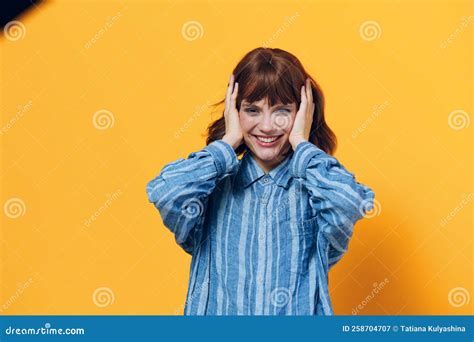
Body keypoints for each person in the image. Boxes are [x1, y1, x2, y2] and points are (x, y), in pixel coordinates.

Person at [146, 47, 375, 315]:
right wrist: (228, 142)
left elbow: (348, 203)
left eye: (282, 110)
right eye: (252, 110)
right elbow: (165, 192)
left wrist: (301, 142)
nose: (267, 126)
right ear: (235, 112)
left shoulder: (317, 189)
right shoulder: (210, 189)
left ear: (303, 113)